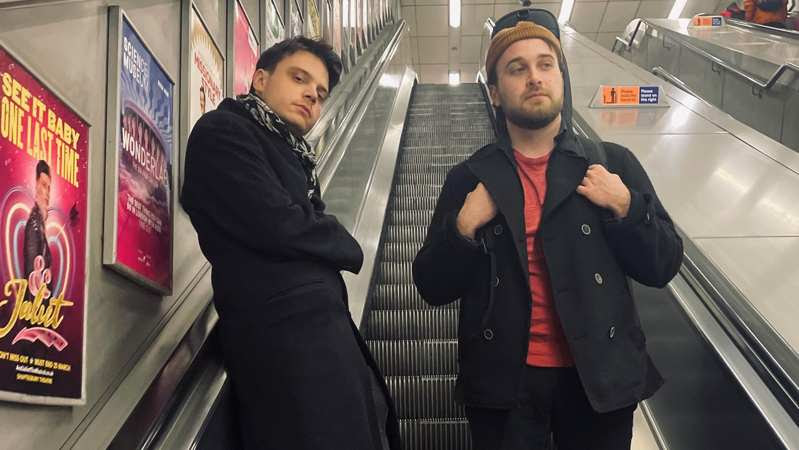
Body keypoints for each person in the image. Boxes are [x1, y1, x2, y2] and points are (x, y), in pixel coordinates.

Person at [412, 9, 683, 450]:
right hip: (504, 386)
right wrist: (463, 228)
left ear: (561, 77)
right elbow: (432, 286)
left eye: (545, 65)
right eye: (517, 69)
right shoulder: (470, 178)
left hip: (599, 381)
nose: (534, 77)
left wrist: (627, 206)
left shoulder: (611, 163)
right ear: (495, 92)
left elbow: (663, 265)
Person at [181, 37, 400, 450]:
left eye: (320, 93)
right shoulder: (223, 131)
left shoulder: (295, 157)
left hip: (321, 345)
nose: (311, 96)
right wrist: (343, 242)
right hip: (284, 349)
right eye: (299, 79)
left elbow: (292, 224)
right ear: (260, 79)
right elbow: (277, 222)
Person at [24, 160, 52, 297]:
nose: (47, 193)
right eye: (43, 185)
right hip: (35, 307)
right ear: (36, 186)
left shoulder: (39, 224)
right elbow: (32, 282)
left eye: (49, 188)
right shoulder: (34, 226)